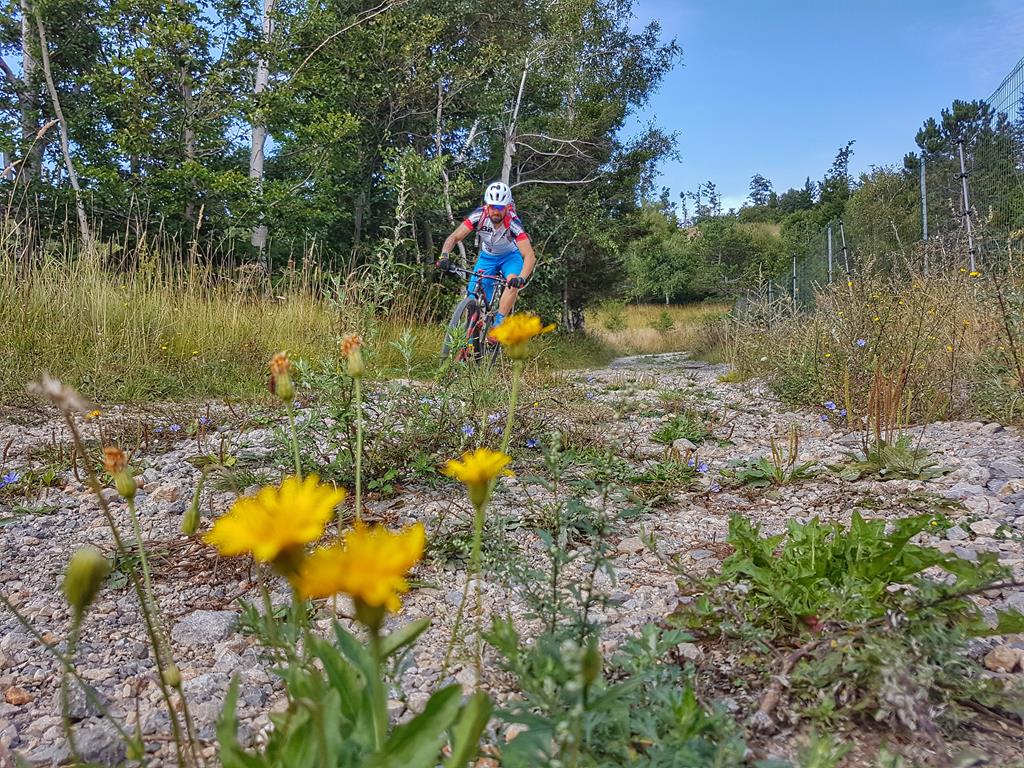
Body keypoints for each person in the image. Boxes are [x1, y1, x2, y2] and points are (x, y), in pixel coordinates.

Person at [437, 181, 536, 330]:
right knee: (472, 297)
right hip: (487, 257)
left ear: (508, 207)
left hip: (510, 256)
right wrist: (444, 256)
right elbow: (454, 237)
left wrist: (521, 278)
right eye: (492, 207)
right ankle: (470, 341)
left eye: (500, 207)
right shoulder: (479, 215)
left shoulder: (514, 223)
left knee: (512, 282)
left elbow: (529, 256)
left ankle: (498, 324)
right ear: (487, 205)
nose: (496, 211)